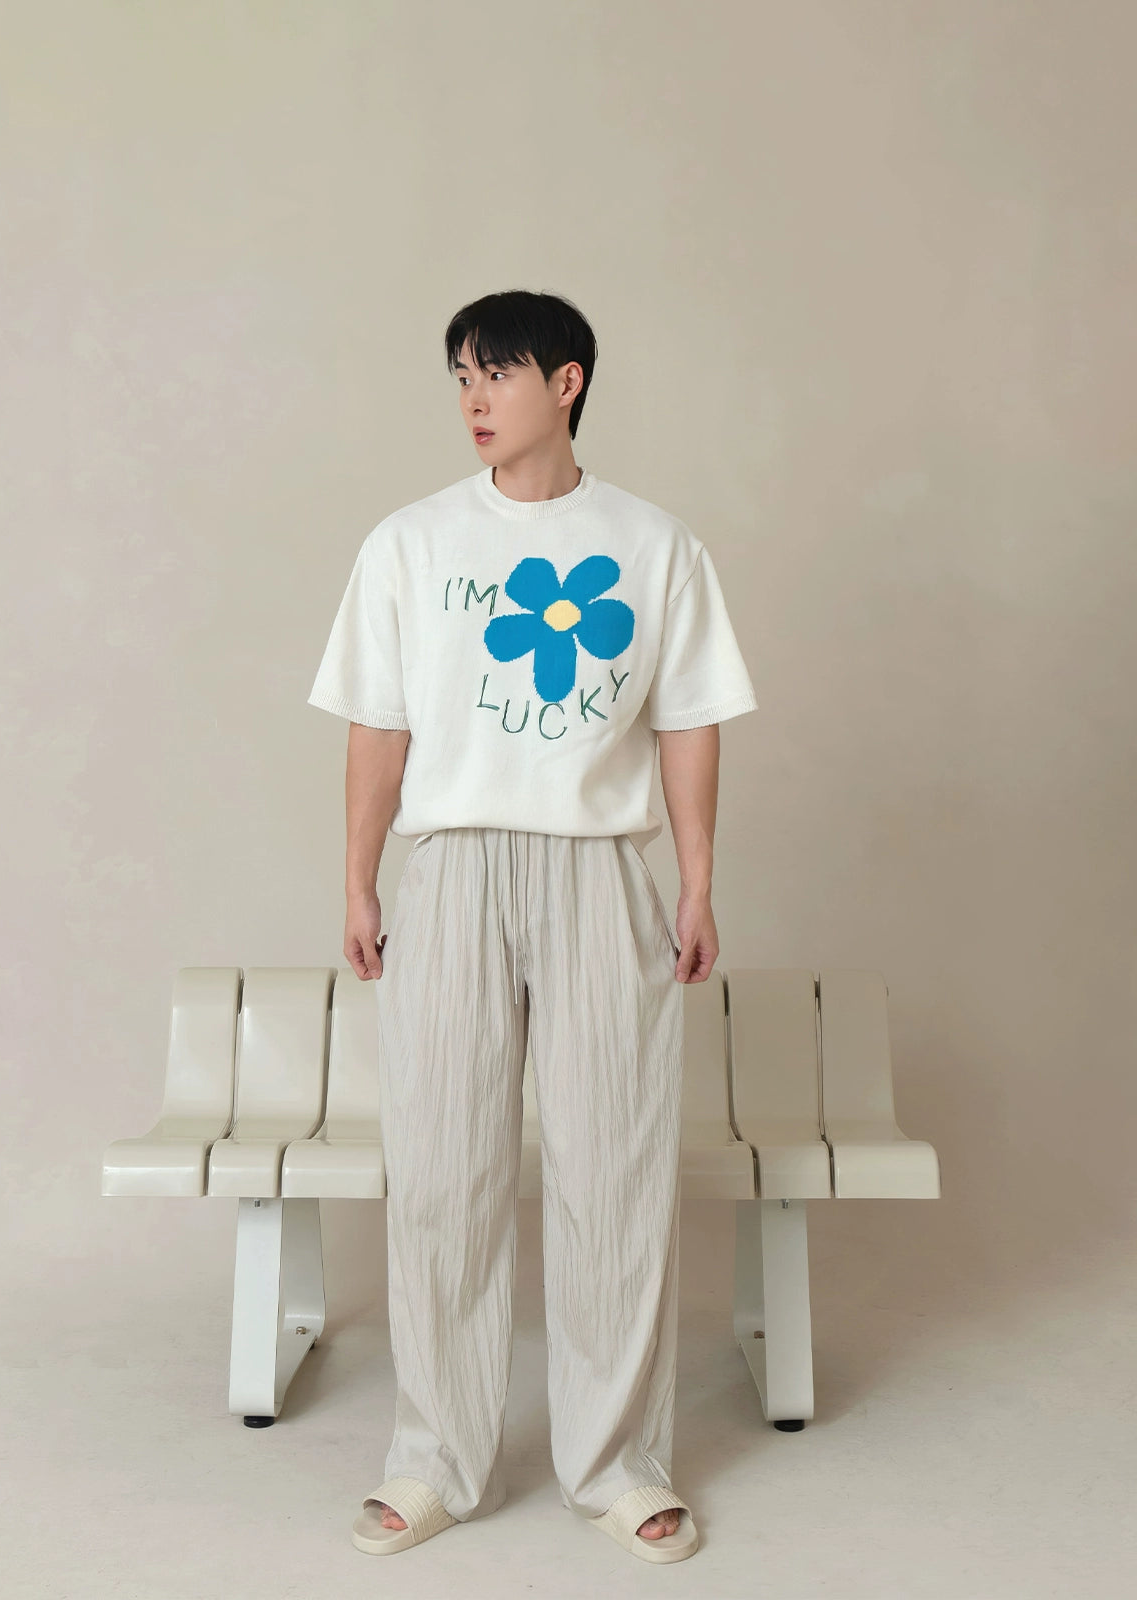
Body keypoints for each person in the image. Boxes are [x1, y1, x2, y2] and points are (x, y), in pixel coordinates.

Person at [307, 289, 758, 1564]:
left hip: (601, 870)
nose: (472, 398)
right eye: (459, 375)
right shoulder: (410, 543)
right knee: (442, 1169)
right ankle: (435, 1458)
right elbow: (379, 723)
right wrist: (359, 878)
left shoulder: (654, 543)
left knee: (614, 1167)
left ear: (566, 383)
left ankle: (618, 1463)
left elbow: (689, 720)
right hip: (452, 868)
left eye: (495, 373)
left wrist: (698, 881)